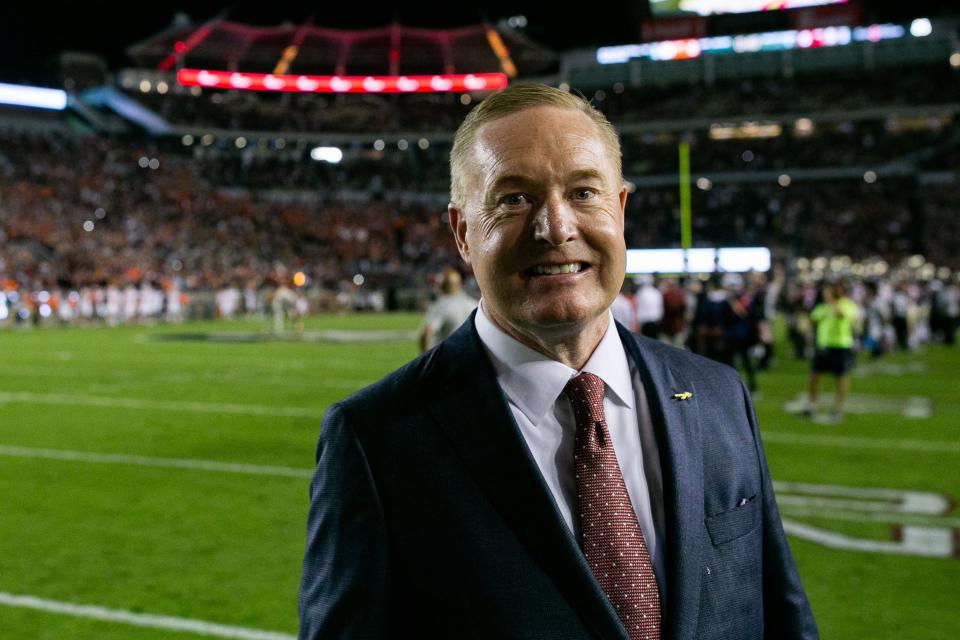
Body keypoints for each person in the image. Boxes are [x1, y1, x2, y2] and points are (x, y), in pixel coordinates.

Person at [298, 84, 818, 640]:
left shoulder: (717, 394)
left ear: (620, 210)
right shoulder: (377, 440)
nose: (556, 227)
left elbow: (781, 617)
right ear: (462, 232)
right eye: (514, 198)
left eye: (583, 192)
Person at [804, 282, 858, 422]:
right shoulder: (822, 306)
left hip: (841, 345)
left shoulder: (847, 304)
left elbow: (841, 315)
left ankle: (838, 407)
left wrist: (831, 302)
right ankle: (812, 405)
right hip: (823, 345)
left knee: (841, 378)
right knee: (814, 376)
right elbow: (813, 319)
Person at [417, 267, 478, 352]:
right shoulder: (473, 304)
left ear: (439, 287)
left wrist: (424, 358)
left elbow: (425, 333)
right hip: (468, 358)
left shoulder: (439, 306)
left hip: (444, 359)